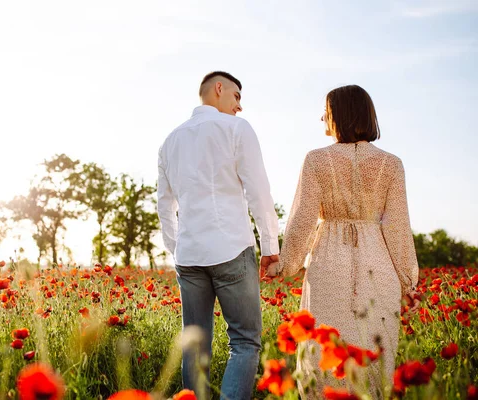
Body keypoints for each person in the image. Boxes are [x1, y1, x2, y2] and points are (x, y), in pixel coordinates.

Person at [267, 84, 420, 398]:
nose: (322, 117)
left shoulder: (317, 160)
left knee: (323, 355)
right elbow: (398, 228)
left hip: (328, 262)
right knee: (372, 356)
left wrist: (285, 263)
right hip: (379, 265)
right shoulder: (391, 164)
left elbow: (303, 220)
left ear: (339, 115)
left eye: (326, 110)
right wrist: (408, 282)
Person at [157, 71, 280, 400]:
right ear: (219, 89)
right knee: (245, 341)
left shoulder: (170, 141)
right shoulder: (237, 129)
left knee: (194, 344)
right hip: (232, 249)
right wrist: (270, 244)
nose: (239, 106)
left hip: (189, 256)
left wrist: (176, 249)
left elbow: (164, 205)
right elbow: (258, 192)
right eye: (237, 96)